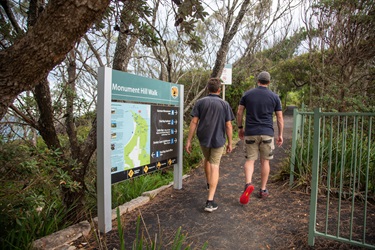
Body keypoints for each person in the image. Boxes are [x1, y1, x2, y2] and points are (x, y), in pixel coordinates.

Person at [185, 78, 235, 212]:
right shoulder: (224, 104)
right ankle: (210, 201)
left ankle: (209, 183)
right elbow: (228, 125)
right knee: (215, 165)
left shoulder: (200, 102)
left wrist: (188, 140)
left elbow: (194, 122)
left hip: (203, 138)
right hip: (218, 140)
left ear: (208, 89)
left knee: (207, 160)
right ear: (219, 90)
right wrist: (230, 142)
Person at [236, 71, 284, 205]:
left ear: (257, 81)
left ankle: (248, 184)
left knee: (250, 160)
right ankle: (263, 190)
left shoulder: (247, 94)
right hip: (267, 133)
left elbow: (239, 112)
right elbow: (279, 117)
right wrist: (280, 134)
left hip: (251, 132)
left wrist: (240, 128)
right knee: (265, 162)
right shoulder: (274, 97)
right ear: (268, 82)